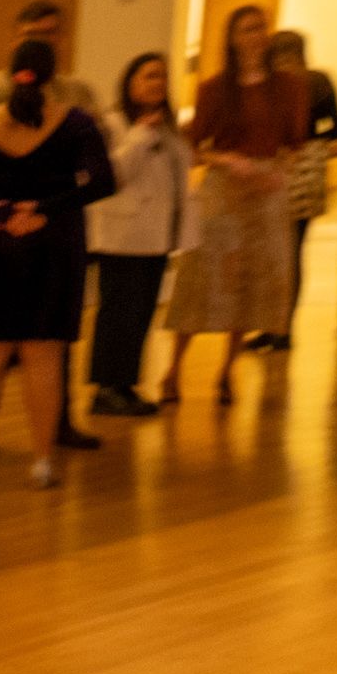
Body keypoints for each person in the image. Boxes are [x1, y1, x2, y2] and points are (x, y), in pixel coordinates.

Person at [0, 38, 113, 485]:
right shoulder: (75, 123)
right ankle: (41, 461)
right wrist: (45, 209)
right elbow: (102, 182)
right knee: (43, 354)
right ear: (53, 76)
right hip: (53, 244)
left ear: (8, 73)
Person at [161, 3, 313, 403]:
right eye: (247, 29)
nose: (256, 36)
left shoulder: (289, 87)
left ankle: (227, 371)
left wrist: (277, 172)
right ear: (232, 37)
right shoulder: (215, 88)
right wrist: (229, 160)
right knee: (203, 280)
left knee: (251, 286)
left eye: (260, 28)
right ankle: (173, 369)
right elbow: (194, 148)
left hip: (267, 195)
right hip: (224, 191)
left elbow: (295, 144)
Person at [83, 51, 191, 417]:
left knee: (142, 314)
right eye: (149, 76)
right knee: (117, 313)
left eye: (161, 76)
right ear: (131, 84)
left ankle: (125, 384)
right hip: (122, 236)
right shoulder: (113, 125)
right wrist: (140, 136)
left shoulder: (168, 127)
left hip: (156, 237)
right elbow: (112, 173)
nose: (157, 83)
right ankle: (105, 388)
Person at [247, 29, 337, 352]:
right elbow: (333, 129)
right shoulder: (317, 81)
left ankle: (280, 327)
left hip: (291, 169)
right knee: (285, 253)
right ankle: (276, 326)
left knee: (284, 253)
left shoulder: (296, 85)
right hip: (301, 168)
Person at [0, 0, 99, 122]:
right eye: (31, 34)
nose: (40, 41)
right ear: (14, 41)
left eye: (49, 33)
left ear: (62, 38)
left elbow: (99, 139)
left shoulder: (78, 91)